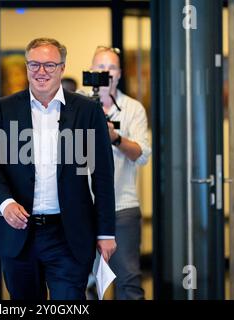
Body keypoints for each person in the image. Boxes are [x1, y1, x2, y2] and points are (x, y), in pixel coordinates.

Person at [0, 38, 117, 300]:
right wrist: (5, 203)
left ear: (62, 68)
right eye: (34, 64)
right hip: (19, 234)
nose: (41, 71)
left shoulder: (86, 111)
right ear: (27, 67)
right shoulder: (5, 109)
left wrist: (106, 231)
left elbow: (103, 174)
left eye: (49, 65)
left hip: (68, 233)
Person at [90, 46, 152, 300]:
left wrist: (115, 138)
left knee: (128, 281)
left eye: (111, 67)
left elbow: (143, 154)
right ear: (90, 71)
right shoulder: (76, 103)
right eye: (100, 67)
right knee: (79, 279)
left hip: (121, 206)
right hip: (82, 206)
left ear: (120, 73)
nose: (106, 72)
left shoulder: (132, 108)